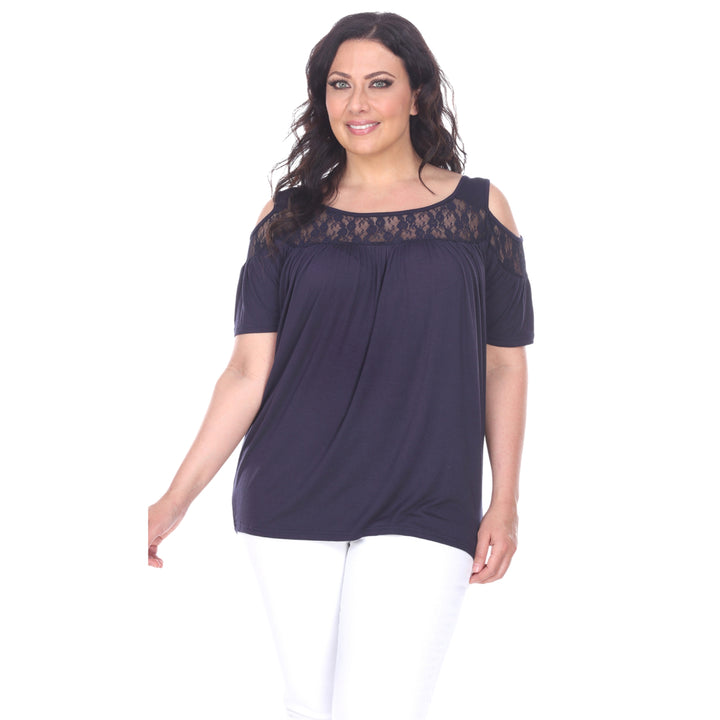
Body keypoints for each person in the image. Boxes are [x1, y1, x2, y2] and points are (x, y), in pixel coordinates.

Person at [148, 11, 533, 720]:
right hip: (289, 485)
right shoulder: (286, 217)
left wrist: (504, 501)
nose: (357, 103)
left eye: (379, 83)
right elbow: (246, 371)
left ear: (417, 94)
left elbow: (504, 365)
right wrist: (174, 500)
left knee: (380, 706)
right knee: (310, 706)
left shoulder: (480, 212)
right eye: (339, 84)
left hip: (426, 494)